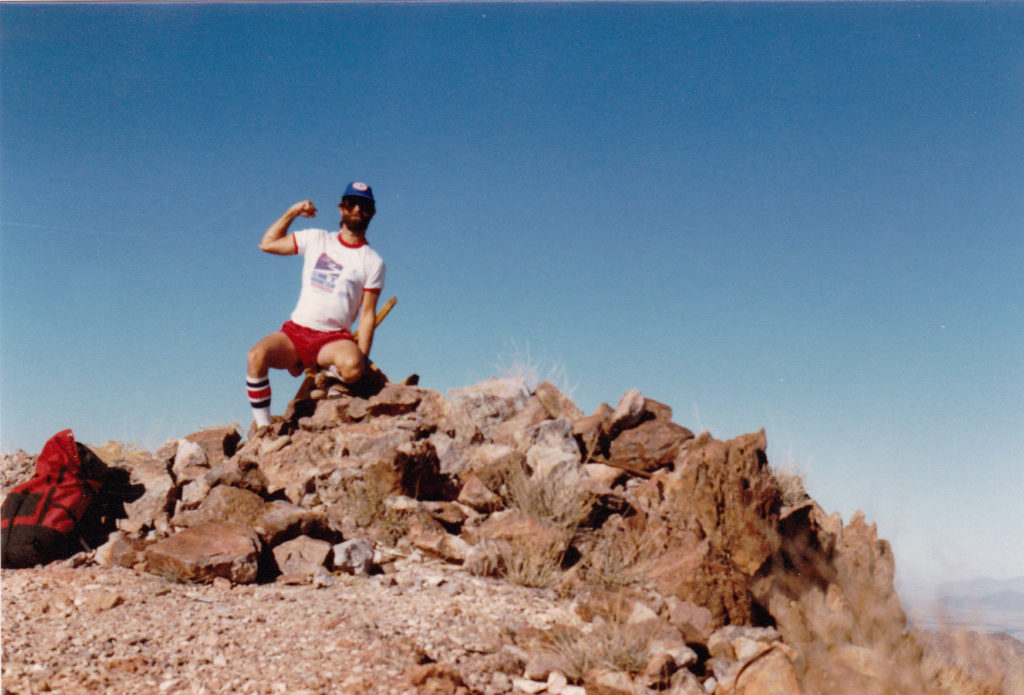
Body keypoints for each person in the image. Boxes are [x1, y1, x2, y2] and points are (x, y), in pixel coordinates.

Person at [246, 181, 385, 428]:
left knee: (353, 367)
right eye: (351, 203)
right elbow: (267, 243)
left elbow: (366, 314)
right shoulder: (317, 238)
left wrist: (363, 360)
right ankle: (264, 429)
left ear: (372, 212)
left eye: (363, 205)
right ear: (341, 208)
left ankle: (330, 375)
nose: (356, 210)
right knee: (256, 357)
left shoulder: (372, 262)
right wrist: (293, 212)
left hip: (332, 339)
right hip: (297, 332)